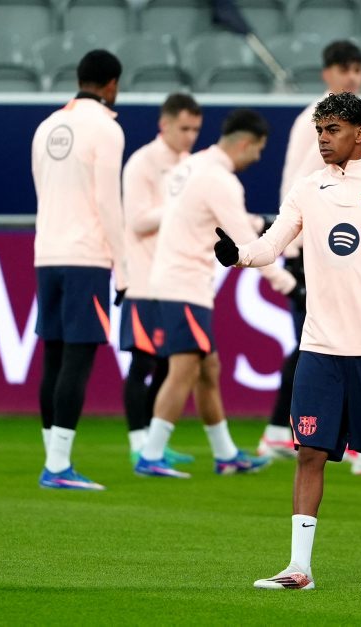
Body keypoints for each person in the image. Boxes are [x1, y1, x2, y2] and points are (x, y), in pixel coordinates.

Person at [215, 92, 361, 590]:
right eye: (319, 130)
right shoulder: (309, 188)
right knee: (309, 452)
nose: (323, 139)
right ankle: (299, 568)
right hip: (320, 348)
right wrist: (238, 255)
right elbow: (271, 244)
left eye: (332, 130)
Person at [134, 109, 297, 479]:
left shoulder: (190, 166)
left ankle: (225, 455)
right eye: (258, 149)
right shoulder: (220, 180)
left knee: (208, 368)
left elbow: (205, 218)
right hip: (185, 283)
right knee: (184, 369)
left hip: (174, 278)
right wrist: (287, 284)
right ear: (245, 143)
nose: (257, 157)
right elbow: (246, 241)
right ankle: (151, 454)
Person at [257, 40, 361, 462]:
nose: (352, 76)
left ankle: (280, 432)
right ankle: (301, 432)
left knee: (320, 344)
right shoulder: (320, 118)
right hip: (310, 249)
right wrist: (298, 244)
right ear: (328, 74)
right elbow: (300, 183)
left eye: (356, 69)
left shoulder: (346, 118)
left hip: (325, 248)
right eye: (344, 69)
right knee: (321, 345)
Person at [32, 50, 127, 491]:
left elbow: (42, 190)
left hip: (47, 253)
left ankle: (53, 458)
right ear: (111, 84)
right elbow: (108, 202)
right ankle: (57, 466)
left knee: (53, 355)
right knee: (78, 356)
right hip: (86, 255)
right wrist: (123, 268)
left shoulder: (46, 127)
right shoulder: (107, 129)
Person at [120, 92, 202, 467]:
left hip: (174, 280)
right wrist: (180, 207)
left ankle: (154, 443)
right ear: (164, 125)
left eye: (195, 129)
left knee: (169, 365)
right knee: (143, 363)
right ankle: (138, 442)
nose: (190, 136)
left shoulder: (189, 165)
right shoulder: (142, 163)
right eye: (184, 128)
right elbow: (137, 221)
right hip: (144, 280)